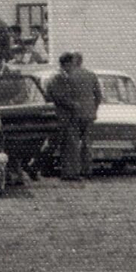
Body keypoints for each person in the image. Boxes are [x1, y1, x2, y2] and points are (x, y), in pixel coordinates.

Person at [48, 52, 101, 182]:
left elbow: (60, 95)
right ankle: (87, 170)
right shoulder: (91, 75)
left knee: (72, 144)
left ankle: (72, 171)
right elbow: (98, 96)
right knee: (87, 143)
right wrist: (93, 109)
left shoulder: (67, 76)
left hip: (73, 114)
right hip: (89, 113)